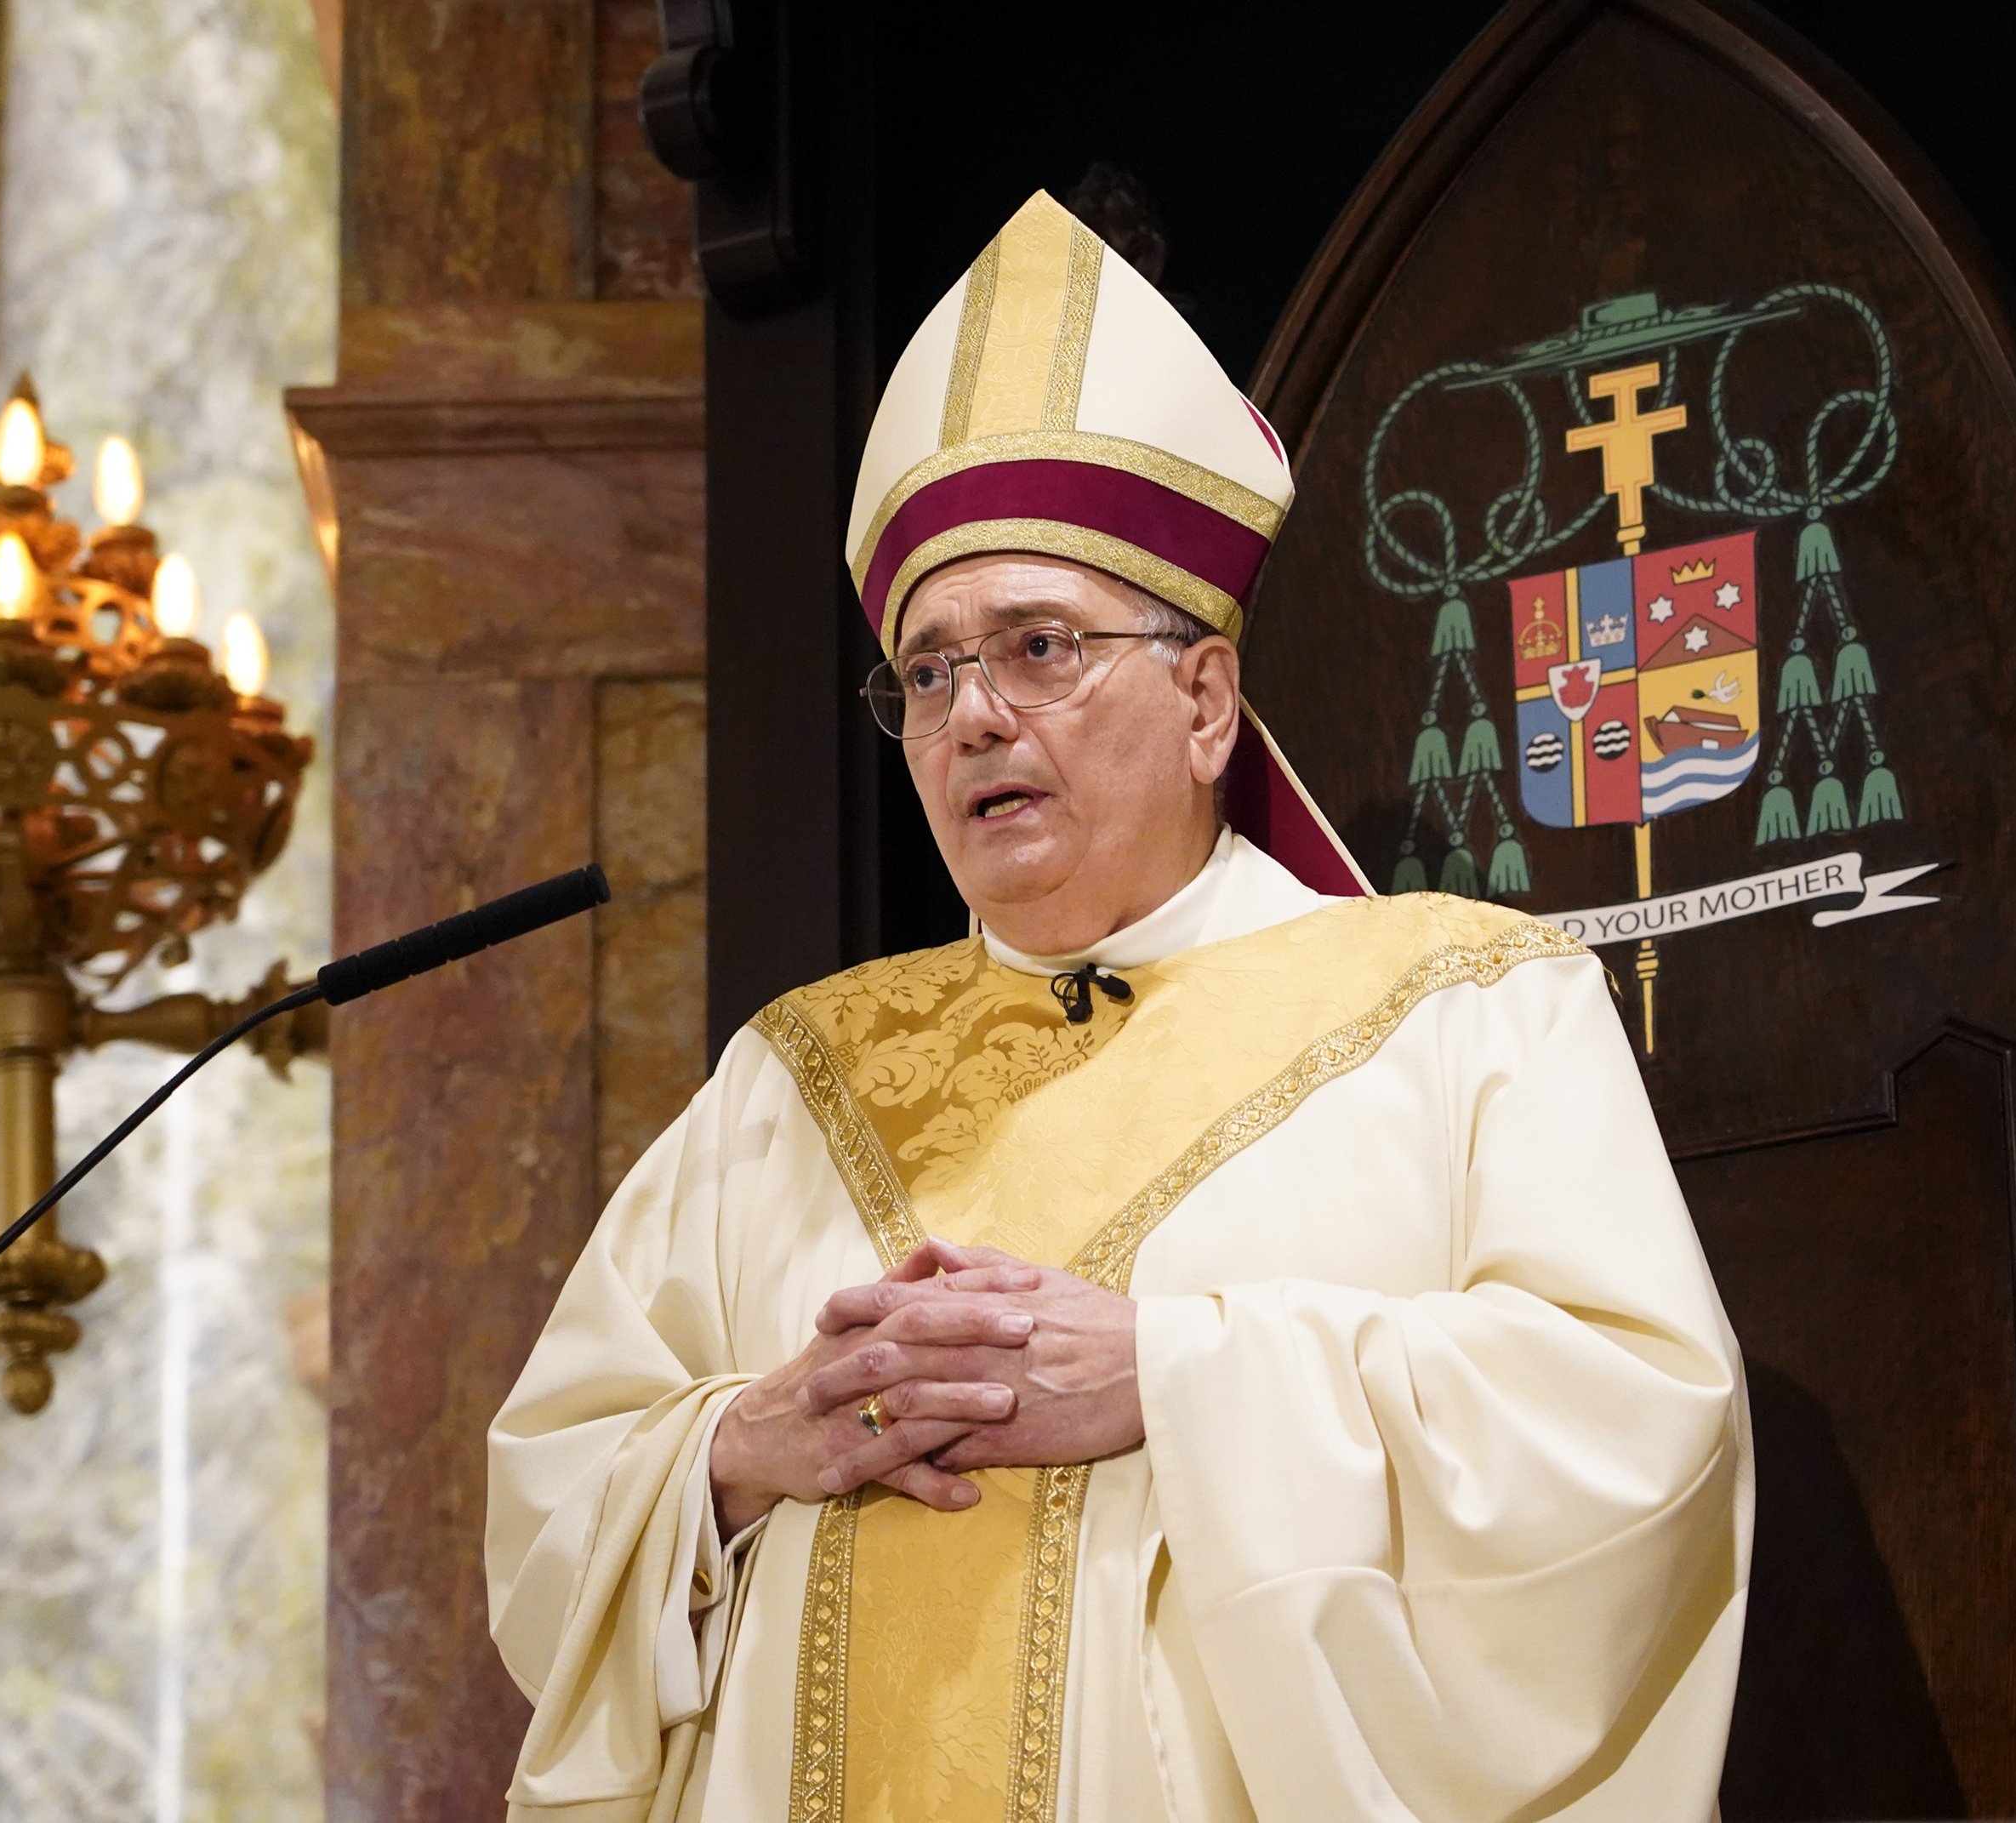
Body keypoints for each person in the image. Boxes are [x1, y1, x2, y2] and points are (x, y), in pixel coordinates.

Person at [486, 191, 1751, 1823]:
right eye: (928, 673)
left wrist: (1179, 1371)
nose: (975, 716)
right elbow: (551, 1493)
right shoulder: (786, 1084)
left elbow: (1639, 1429)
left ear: (1208, 697)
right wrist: (739, 1449)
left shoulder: (1471, 1009)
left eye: (1039, 646)